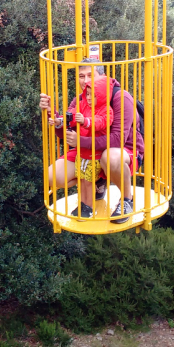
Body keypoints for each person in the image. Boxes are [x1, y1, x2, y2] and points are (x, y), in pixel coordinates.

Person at [39, 59, 144, 224]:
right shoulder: (81, 99)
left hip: (121, 150)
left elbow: (118, 140)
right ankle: (98, 181)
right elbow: (66, 132)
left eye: (90, 75)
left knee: (110, 157)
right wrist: (53, 115)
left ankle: (126, 200)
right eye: (81, 76)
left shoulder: (120, 97)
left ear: (102, 76)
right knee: (52, 177)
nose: (85, 81)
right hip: (88, 150)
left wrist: (80, 142)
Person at [48, 76, 114, 218]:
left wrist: (86, 121)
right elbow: (72, 113)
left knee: (89, 182)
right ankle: (83, 204)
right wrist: (59, 120)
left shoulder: (106, 110)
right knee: (83, 181)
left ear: (102, 96)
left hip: (93, 154)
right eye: (88, 94)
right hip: (82, 153)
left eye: (93, 95)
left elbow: (101, 122)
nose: (89, 98)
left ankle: (89, 207)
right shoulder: (83, 105)